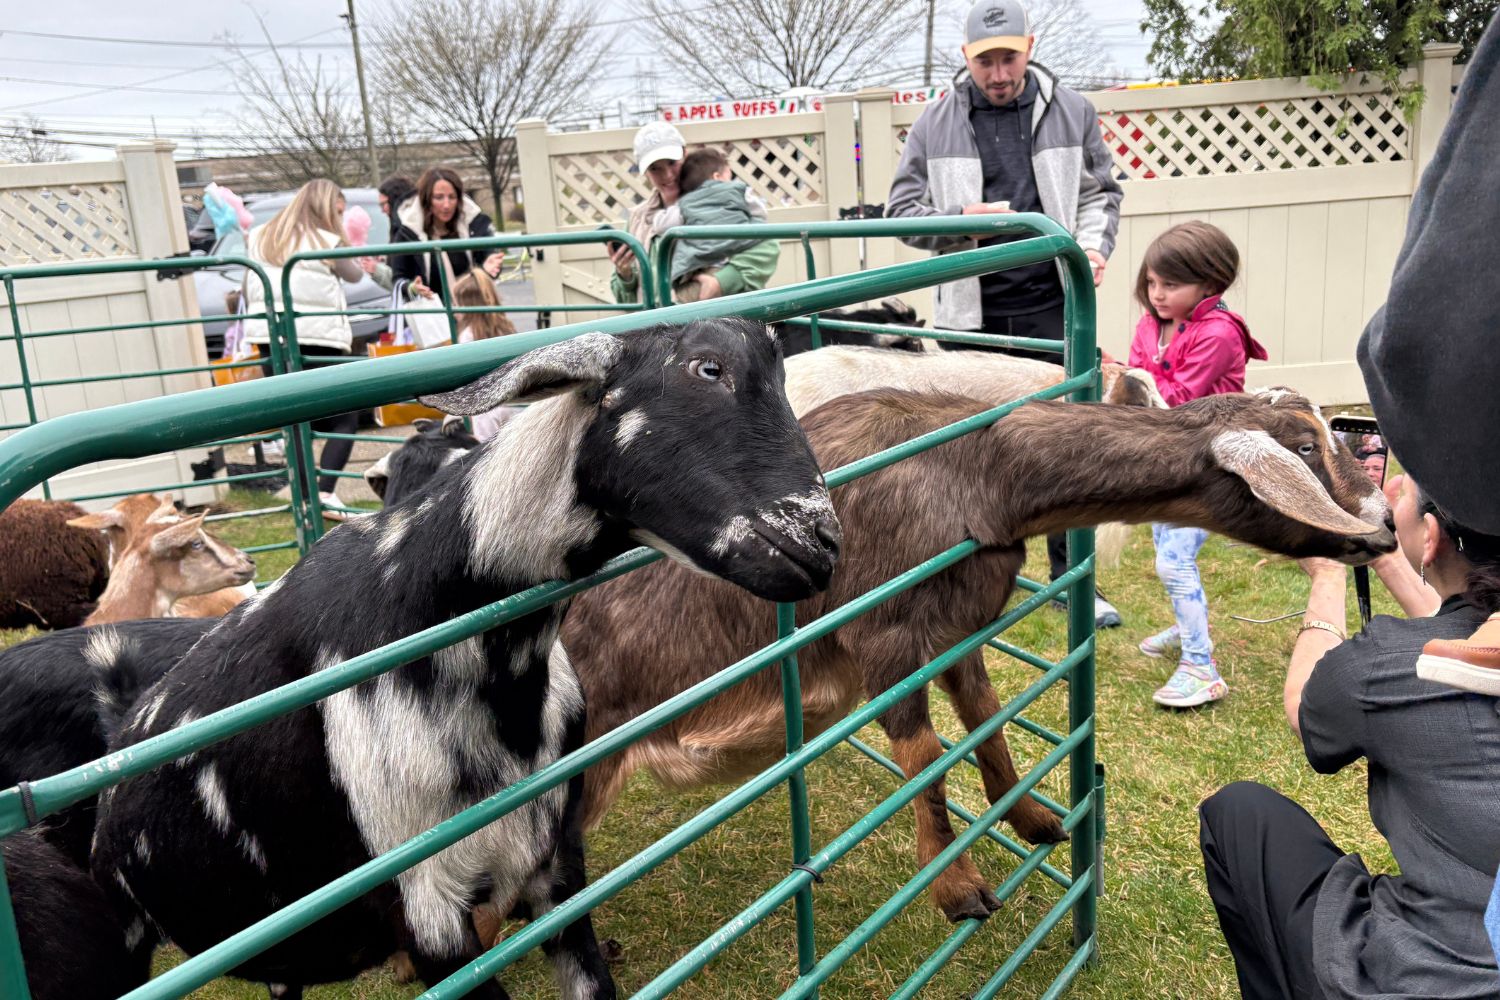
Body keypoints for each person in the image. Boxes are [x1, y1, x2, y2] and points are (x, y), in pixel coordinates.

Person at [1197, 471, 1500, 998]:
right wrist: (1384, 556)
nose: (1394, 487)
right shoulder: (1470, 652)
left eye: (1406, 490)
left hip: (1437, 978)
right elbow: (1468, 638)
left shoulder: (1386, 663)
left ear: (1430, 536)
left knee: (1239, 812)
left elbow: (1304, 707)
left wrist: (1327, 574)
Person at [885, 0, 1126, 628]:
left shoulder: (1073, 110)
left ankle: (1074, 580)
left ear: (1029, 48)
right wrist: (961, 222)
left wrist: (1092, 249)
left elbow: (1101, 194)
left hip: (1056, 307)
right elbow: (901, 213)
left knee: (1069, 443)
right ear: (966, 59)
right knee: (975, 447)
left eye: (1008, 58)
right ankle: (975, 580)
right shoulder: (933, 123)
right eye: (985, 61)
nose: (998, 73)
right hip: (972, 316)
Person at [1127, 221, 1267, 707]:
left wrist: (1130, 382)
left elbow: (1177, 398)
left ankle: (1201, 667)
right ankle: (1189, 626)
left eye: (1171, 284)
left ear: (1211, 283)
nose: (1157, 294)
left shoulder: (1220, 333)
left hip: (1212, 465)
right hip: (1169, 458)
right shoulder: (1152, 324)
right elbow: (1140, 382)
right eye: (1151, 282)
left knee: (1173, 561)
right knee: (1165, 548)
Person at [240, 178, 365, 517]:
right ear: (326, 208)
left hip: (271, 338)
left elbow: (248, 286)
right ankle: (325, 491)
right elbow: (354, 276)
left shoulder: (261, 236)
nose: (340, 218)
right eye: (338, 212)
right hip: (317, 339)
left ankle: (307, 498)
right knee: (345, 416)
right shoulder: (327, 240)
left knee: (295, 419)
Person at [608, 121, 780, 305]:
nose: (668, 175)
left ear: (685, 155)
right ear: (645, 173)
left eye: (672, 163)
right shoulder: (637, 219)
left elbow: (767, 245)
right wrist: (625, 275)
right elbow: (623, 299)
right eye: (655, 168)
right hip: (658, 321)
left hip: (715, 317)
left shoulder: (718, 201)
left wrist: (722, 282)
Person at [659, 147, 774, 302]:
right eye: (729, 177)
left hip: (695, 271)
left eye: (672, 163)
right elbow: (760, 213)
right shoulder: (739, 191)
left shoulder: (685, 203)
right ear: (717, 177)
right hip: (728, 262)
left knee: (682, 305)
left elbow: (662, 225)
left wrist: (665, 210)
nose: (667, 174)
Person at [389, 167, 505, 301]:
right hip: (431, 310)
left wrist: (486, 270)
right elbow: (398, 279)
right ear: (426, 199)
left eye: (452, 197)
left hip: (472, 307)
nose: (446, 205)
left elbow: (490, 263)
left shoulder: (475, 224)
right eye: (439, 197)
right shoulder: (408, 232)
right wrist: (413, 288)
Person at [446, 271, 520, 442]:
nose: (454, 310)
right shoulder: (504, 328)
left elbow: (464, 378)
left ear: (469, 306)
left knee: (485, 449)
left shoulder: (467, 336)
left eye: (457, 304)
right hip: (509, 402)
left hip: (484, 407)